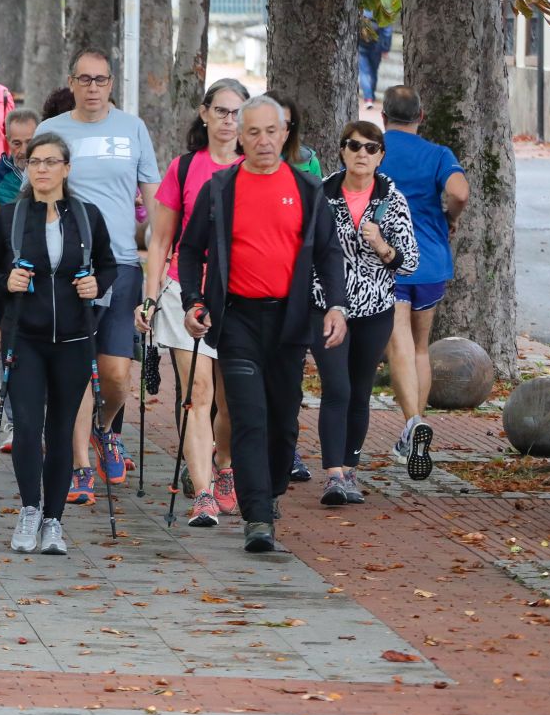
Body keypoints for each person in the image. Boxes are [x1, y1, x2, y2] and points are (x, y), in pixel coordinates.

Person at [177, 97, 348, 554]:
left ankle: (270, 493)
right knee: (248, 416)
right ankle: (256, 517)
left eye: (271, 131)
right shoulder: (220, 188)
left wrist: (336, 307)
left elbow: (330, 254)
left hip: (290, 322)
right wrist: (193, 300)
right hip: (237, 320)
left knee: (282, 422)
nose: (263, 141)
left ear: (285, 133)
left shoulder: (309, 189)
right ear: (240, 136)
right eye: (252, 132)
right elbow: (190, 250)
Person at [0, 132, 117, 556]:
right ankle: (30, 509)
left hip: (74, 340)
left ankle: (54, 520)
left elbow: (108, 266)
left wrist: (97, 284)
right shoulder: (12, 217)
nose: (41, 169)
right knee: (29, 428)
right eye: (35, 161)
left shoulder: (87, 217)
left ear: (66, 169)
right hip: (27, 339)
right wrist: (5, 283)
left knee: (60, 432)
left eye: (51, 162)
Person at [39, 49, 160, 503]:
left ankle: (104, 428)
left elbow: (154, 197)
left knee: (114, 375)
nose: (92, 88)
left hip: (122, 263)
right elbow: (38, 194)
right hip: (64, 265)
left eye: (101, 80)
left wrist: (161, 262)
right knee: (74, 370)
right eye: (84, 79)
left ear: (112, 84)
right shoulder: (52, 132)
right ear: (71, 82)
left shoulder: (133, 129)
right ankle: (79, 467)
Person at [136, 78, 248, 526]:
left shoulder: (254, 171)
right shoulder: (184, 168)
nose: (228, 120)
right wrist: (149, 299)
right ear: (204, 114)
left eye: (237, 113)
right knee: (197, 394)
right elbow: (160, 241)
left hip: (240, 298)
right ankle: (201, 492)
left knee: (232, 399)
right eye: (221, 111)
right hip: (186, 294)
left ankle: (225, 466)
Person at [313, 121, 418, 505]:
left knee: (359, 390)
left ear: (381, 156)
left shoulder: (393, 198)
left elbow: (409, 263)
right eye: (354, 146)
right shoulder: (321, 194)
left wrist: (382, 245)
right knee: (336, 387)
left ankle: (350, 470)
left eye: (371, 148)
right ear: (342, 150)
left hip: (375, 308)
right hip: (326, 307)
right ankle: (332, 475)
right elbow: (303, 250)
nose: (362, 154)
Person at [377, 85, 470, 479]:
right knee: (419, 346)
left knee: (396, 343)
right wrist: (452, 217)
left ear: (384, 116)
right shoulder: (438, 154)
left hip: (389, 261)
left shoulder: (372, 149)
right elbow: (459, 192)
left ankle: (413, 422)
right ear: (422, 115)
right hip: (431, 262)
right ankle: (414, 426)